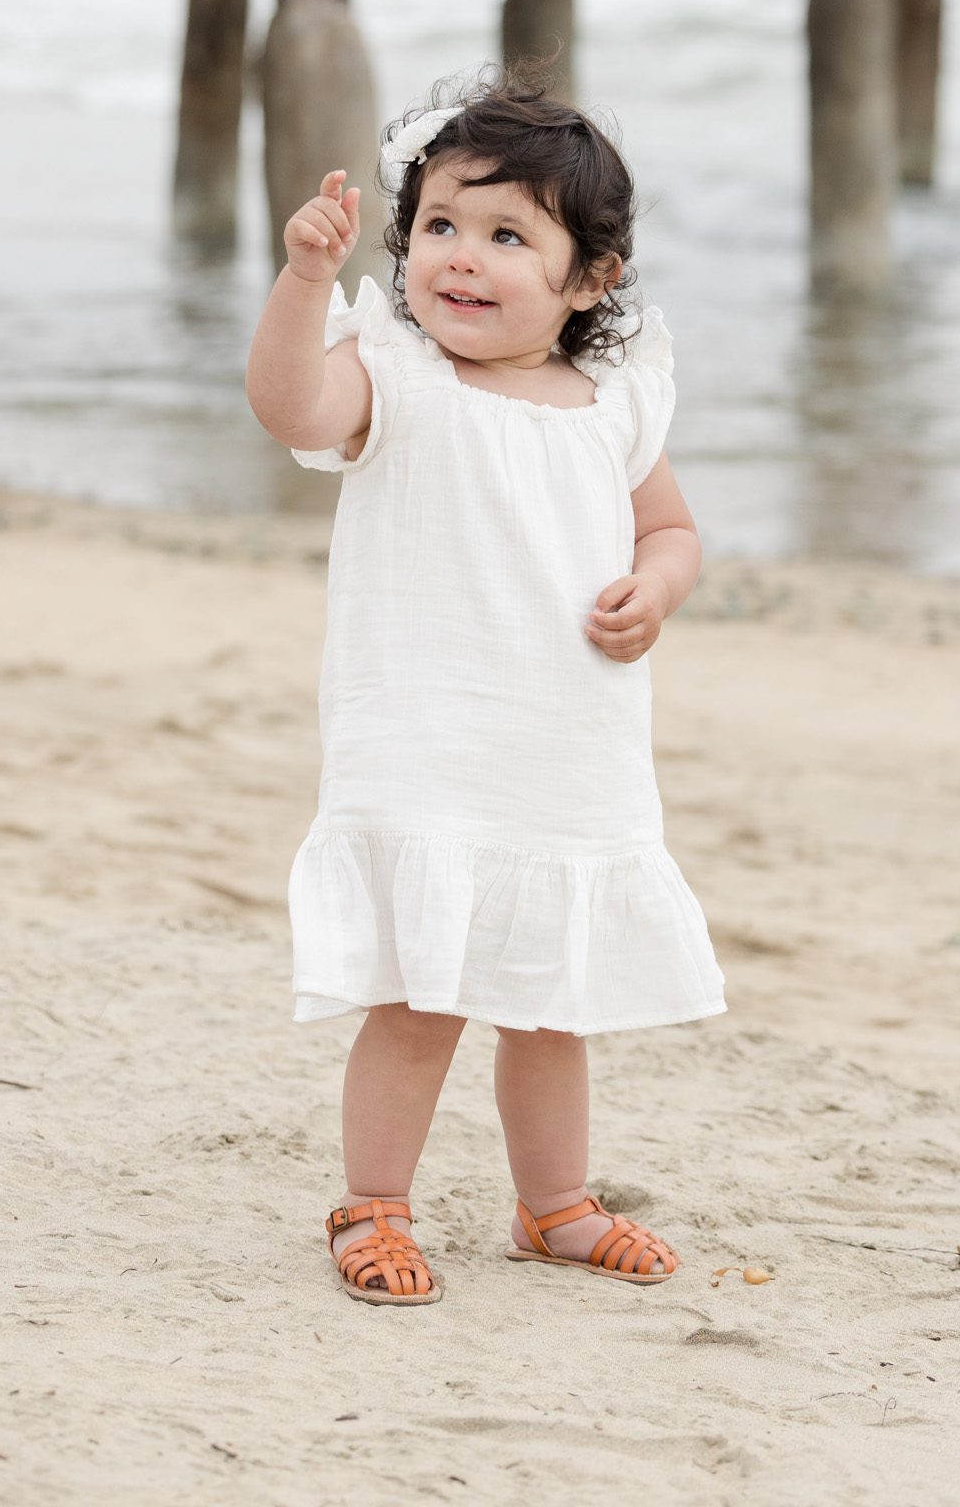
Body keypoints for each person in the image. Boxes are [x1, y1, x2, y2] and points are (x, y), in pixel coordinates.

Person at [245, 68, 726, 1306]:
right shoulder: (395, 379)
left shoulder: (615, 400)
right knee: (420, 992)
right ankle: (373, 1201)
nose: (462, 258)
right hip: (426, 738)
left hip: (567, 741)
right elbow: (290, 402)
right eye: (443, 226)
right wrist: (307, 284)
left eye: (508, 235)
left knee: (552, 998)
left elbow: (670, 530)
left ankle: (554, 1203)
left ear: (590, 278)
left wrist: (657, 589)